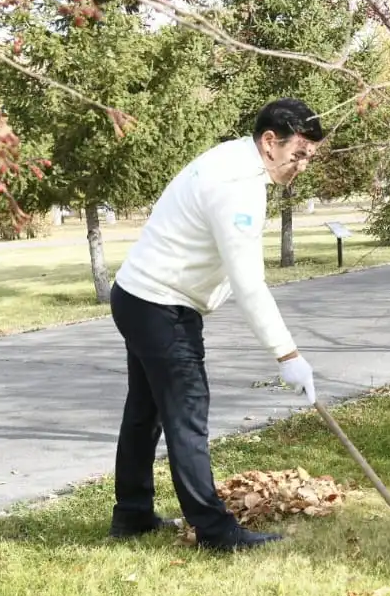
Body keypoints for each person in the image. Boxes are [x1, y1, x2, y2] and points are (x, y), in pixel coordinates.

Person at [107, 98, 324, 552]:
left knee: (145, 412)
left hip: (140, 296)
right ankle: (216, 531)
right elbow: (249, 283)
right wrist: (288, 355)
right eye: (298, 153)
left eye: (309, 156)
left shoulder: (236, 161)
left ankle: (132, 515)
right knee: (186, 412)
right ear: (270, 142)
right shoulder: (237, 186)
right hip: (158, 304)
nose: (302, 165)